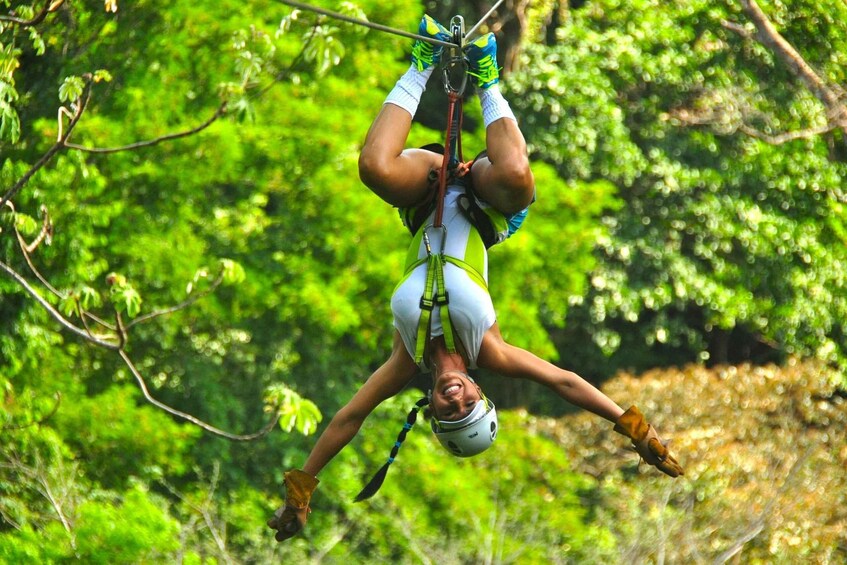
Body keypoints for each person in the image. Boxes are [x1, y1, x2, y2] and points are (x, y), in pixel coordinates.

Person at [268, 15, 683, 543]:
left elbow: (349, 419)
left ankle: (421, 63)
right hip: (489, 205)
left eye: (450, 411)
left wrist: (302, 489)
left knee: (373, 167)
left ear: (435, 412)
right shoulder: (490, 350)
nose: (456, 399)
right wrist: (634, 430)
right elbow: (563, 382)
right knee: (516, 176)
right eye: (469, 405)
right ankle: (487, 77)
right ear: (481, 394)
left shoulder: (405, 359)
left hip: (426, 198)